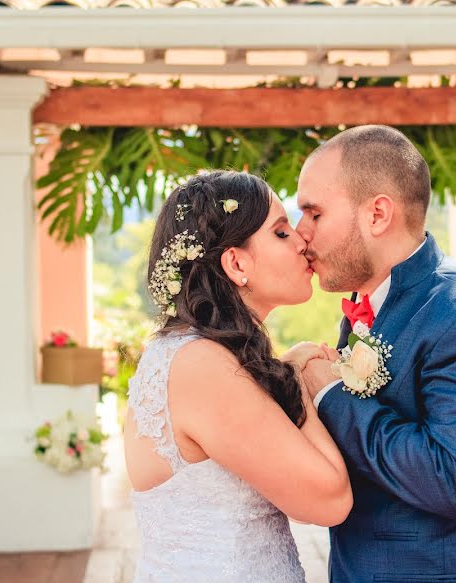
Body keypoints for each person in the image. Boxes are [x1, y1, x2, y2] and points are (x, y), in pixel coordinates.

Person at [295, 125, 456, 583]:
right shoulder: (363, 309)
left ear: (377, 214)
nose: (301, 234)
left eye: (314, 213)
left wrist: (329, 391)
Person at [123, 170, 351, 583]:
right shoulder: (203, 368)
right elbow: (329, 499)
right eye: (281, 232)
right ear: (236, 262)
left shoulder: (194, 353)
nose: (302, 240)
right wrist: (298, 376)